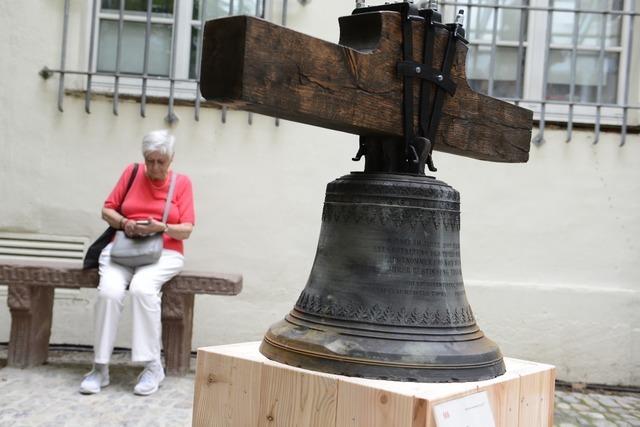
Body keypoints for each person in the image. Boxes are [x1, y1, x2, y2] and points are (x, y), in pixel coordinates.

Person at [80, 130, 195, 395]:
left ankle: (153, 366)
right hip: (124, 249)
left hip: (165, 252)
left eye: (160, 162)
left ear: (171, 159)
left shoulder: (182, 183)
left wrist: (162, 226)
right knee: (109, 293)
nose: (154, 167)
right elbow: (107, 209)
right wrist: (125, 223)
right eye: (150, 160)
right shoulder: (131, 173)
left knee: (143, 290)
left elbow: (187, 228)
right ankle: (100, 367)